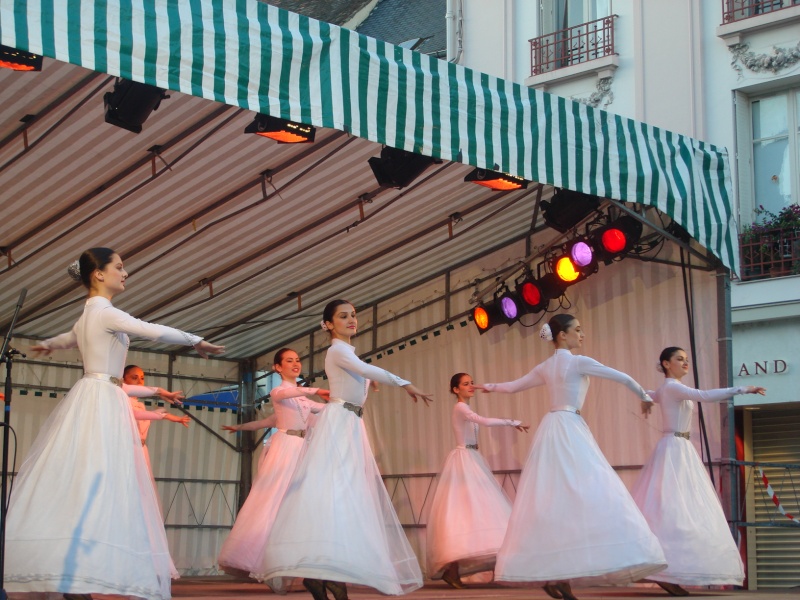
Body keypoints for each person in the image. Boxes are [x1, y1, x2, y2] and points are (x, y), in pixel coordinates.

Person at [4, 247, 224, 600]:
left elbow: (72, 339)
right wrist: (194, 339)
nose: (126, 273)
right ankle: (82, 566)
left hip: (99, 392)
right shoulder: (106, 313)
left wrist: (48, 345)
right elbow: (149, 330)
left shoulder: (88, 313)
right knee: (100, 481)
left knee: (88, 481)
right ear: (99, 275)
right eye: (119, 267)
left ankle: (78, 565)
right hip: (101, 400)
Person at [476, 314, 666, 600]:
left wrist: (488, 387)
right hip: (569, 427)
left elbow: (514, 386)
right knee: (590, 490)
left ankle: (557, 572)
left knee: (556, 499)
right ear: (562, 335)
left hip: (552, 428)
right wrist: (644, 395)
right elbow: (621, 376)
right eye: (577, 330)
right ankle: (561, 570)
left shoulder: (546, 366)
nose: (582, 335)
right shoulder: (578, 362)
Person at [254, 299, 432, 600]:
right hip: (339, 423)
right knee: (335, 493)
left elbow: (357, 378)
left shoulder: (347, 352)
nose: (351, 320)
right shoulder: (337, 350)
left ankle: (328, 572)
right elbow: (362, 370)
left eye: (353, 315)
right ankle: (325, 572)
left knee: (345, 495)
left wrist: (366, 383)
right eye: (343, 316)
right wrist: (405, 383)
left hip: (350, 423)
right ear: (328, 324)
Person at [631, 347, 764, 596]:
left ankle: (668, 570)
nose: (685, 363)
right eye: (679, 359)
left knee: (680, 507)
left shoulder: (669, 389)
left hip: (680, 447)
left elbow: (651, 394)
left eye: (686, 360)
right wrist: (742, 389)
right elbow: (703, 394)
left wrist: (645, 398)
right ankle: (664, 570)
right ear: (666, 364)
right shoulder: (672, 386)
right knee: (675, 507)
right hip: (674, 448)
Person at [217, 348, 329, 578]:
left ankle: (291, 561)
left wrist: (347, 404)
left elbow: (323, 410)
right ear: (278, 367)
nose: (295, 364)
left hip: (303, 449)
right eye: (289, 361)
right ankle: (265, 561)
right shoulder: (280, 391)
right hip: (285, 447)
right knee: (275, 500)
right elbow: (277, 401)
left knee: (298, 503)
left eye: (297, 360)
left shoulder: (302, 399)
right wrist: (317, 389)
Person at [427, 372, 528, 589]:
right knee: (467, 511)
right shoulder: (461, 408)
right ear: (456, 389)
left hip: (472, 458)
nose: (471, 386)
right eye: (466, 384)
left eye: (472, 383)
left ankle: (459, 570)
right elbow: (483, 421)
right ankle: (452, 569)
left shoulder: (467, 408)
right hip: (464, 460)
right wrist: (511, 422)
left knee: (478, 511)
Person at [122, 364, 191, 489]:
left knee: (140, 487)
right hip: (127, 450)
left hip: (141, 450)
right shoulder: (122, 400)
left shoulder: (140, 405)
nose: (139, 381)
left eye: (142, 378)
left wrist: (170, 415)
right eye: (134, 377)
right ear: (124, 380)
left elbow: (147, 417)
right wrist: (161, 414)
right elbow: (136, 415)